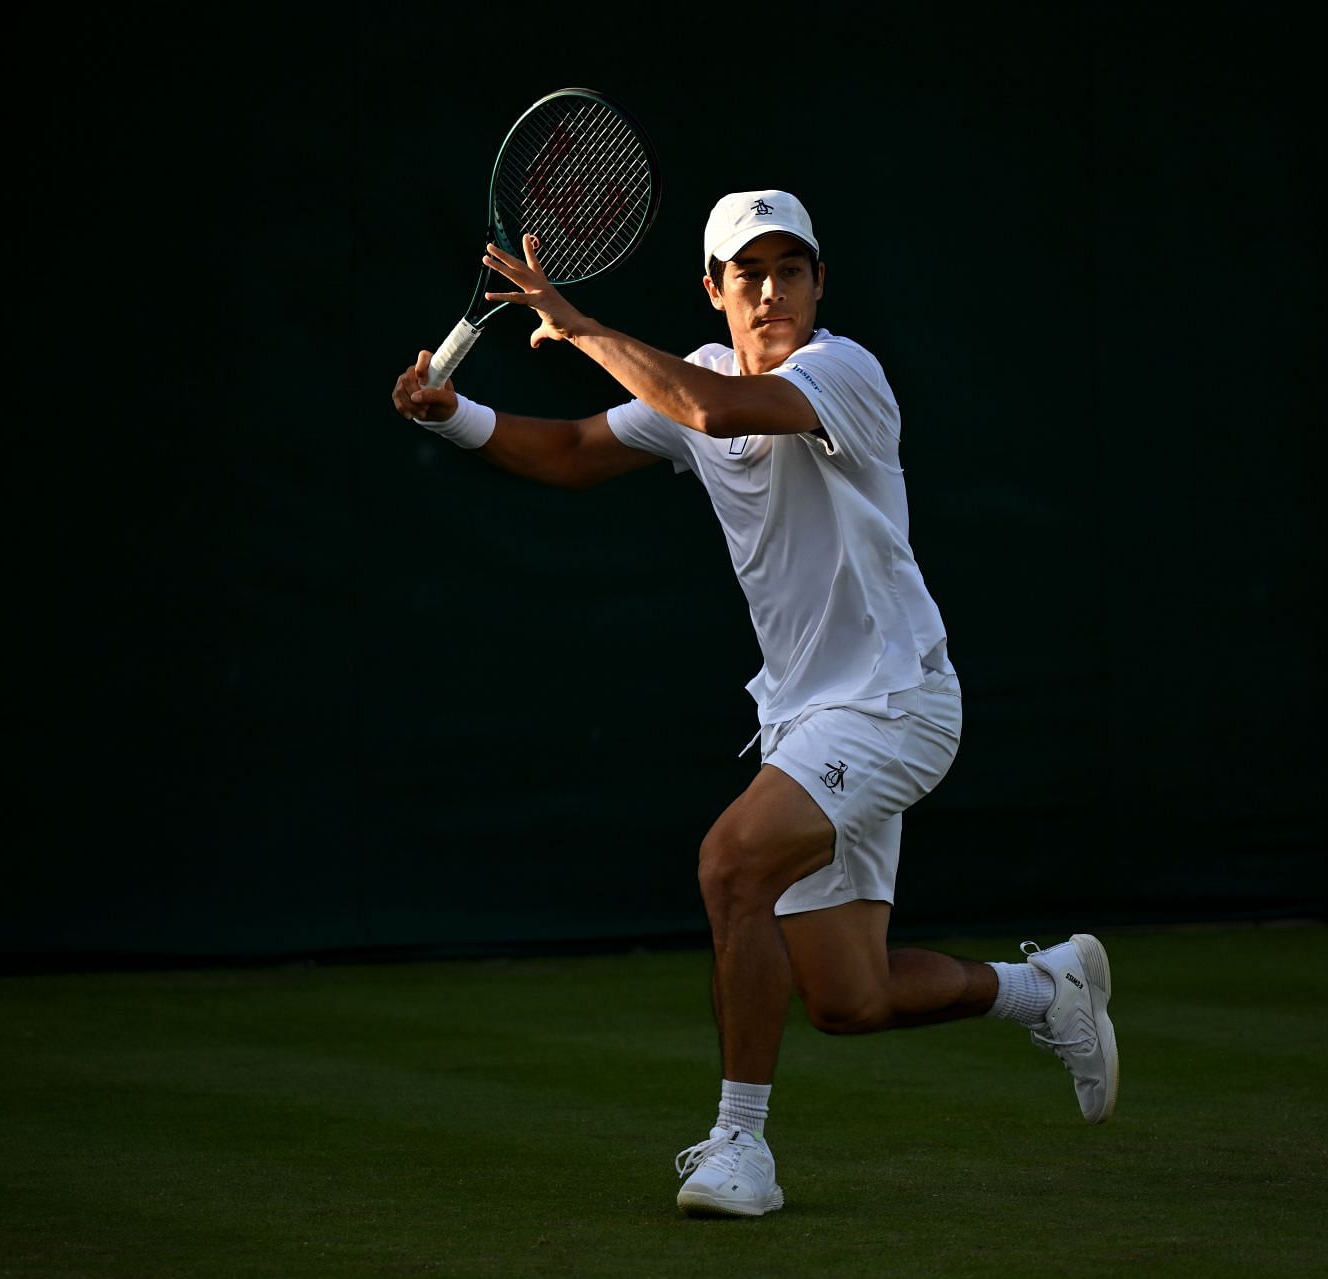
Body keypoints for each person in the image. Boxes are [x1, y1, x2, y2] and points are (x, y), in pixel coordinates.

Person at [390, 190, 1117, 1217]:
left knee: (730, 860)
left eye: (791, 270)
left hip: (897, 705)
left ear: (820, 284)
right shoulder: (699, 377)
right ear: (715, 291)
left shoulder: (842, 373)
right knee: (850, 1000)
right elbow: (574, 452)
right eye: (749, 273)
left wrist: (588, 324)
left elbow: (715, 413)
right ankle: (1044, 989)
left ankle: (741, 1147)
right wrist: (452, 416)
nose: (771, 291)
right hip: (805, 719)